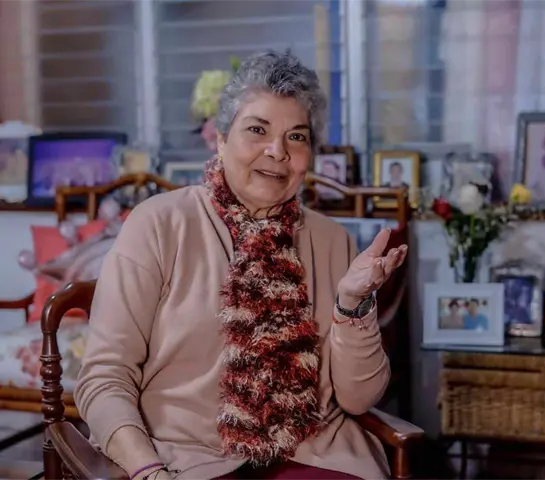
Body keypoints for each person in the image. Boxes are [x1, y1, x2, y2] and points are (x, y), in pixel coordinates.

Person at [74, 51, 408, 480]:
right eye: (257, 129)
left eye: (297, 136)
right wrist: (147, 470)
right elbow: (104, 377)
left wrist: (352, 304)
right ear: (221, 139)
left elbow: (360, 399)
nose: (278, 151)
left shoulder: (333, 241)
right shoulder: (159, 224)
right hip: (184, 459)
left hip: (317, 453)